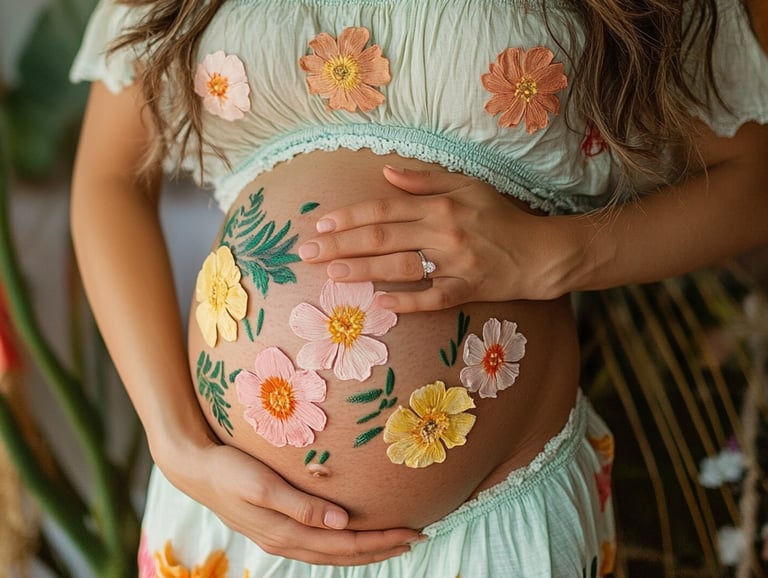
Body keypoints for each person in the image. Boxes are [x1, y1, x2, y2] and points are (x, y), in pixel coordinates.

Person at [69, 0, 768, 575]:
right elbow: (107, 180)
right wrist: (176, 444)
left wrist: (553, 255)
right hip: (234, 512)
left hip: (500, 521)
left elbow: (750, 184)